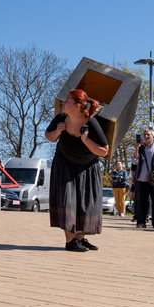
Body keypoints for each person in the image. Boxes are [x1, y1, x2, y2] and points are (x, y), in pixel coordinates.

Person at [45, 90, 109, 251]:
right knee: (67, 202)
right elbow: (49, 136)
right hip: (64, 164)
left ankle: (80, 239)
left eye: (67, 101)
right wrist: (57, 132)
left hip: (87, 167)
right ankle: (70, 241)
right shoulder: (61, 118)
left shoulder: (91, 123)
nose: (63, 103)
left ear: (77, 105)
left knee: (86, 205)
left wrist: (85, 140)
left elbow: (104, 150)